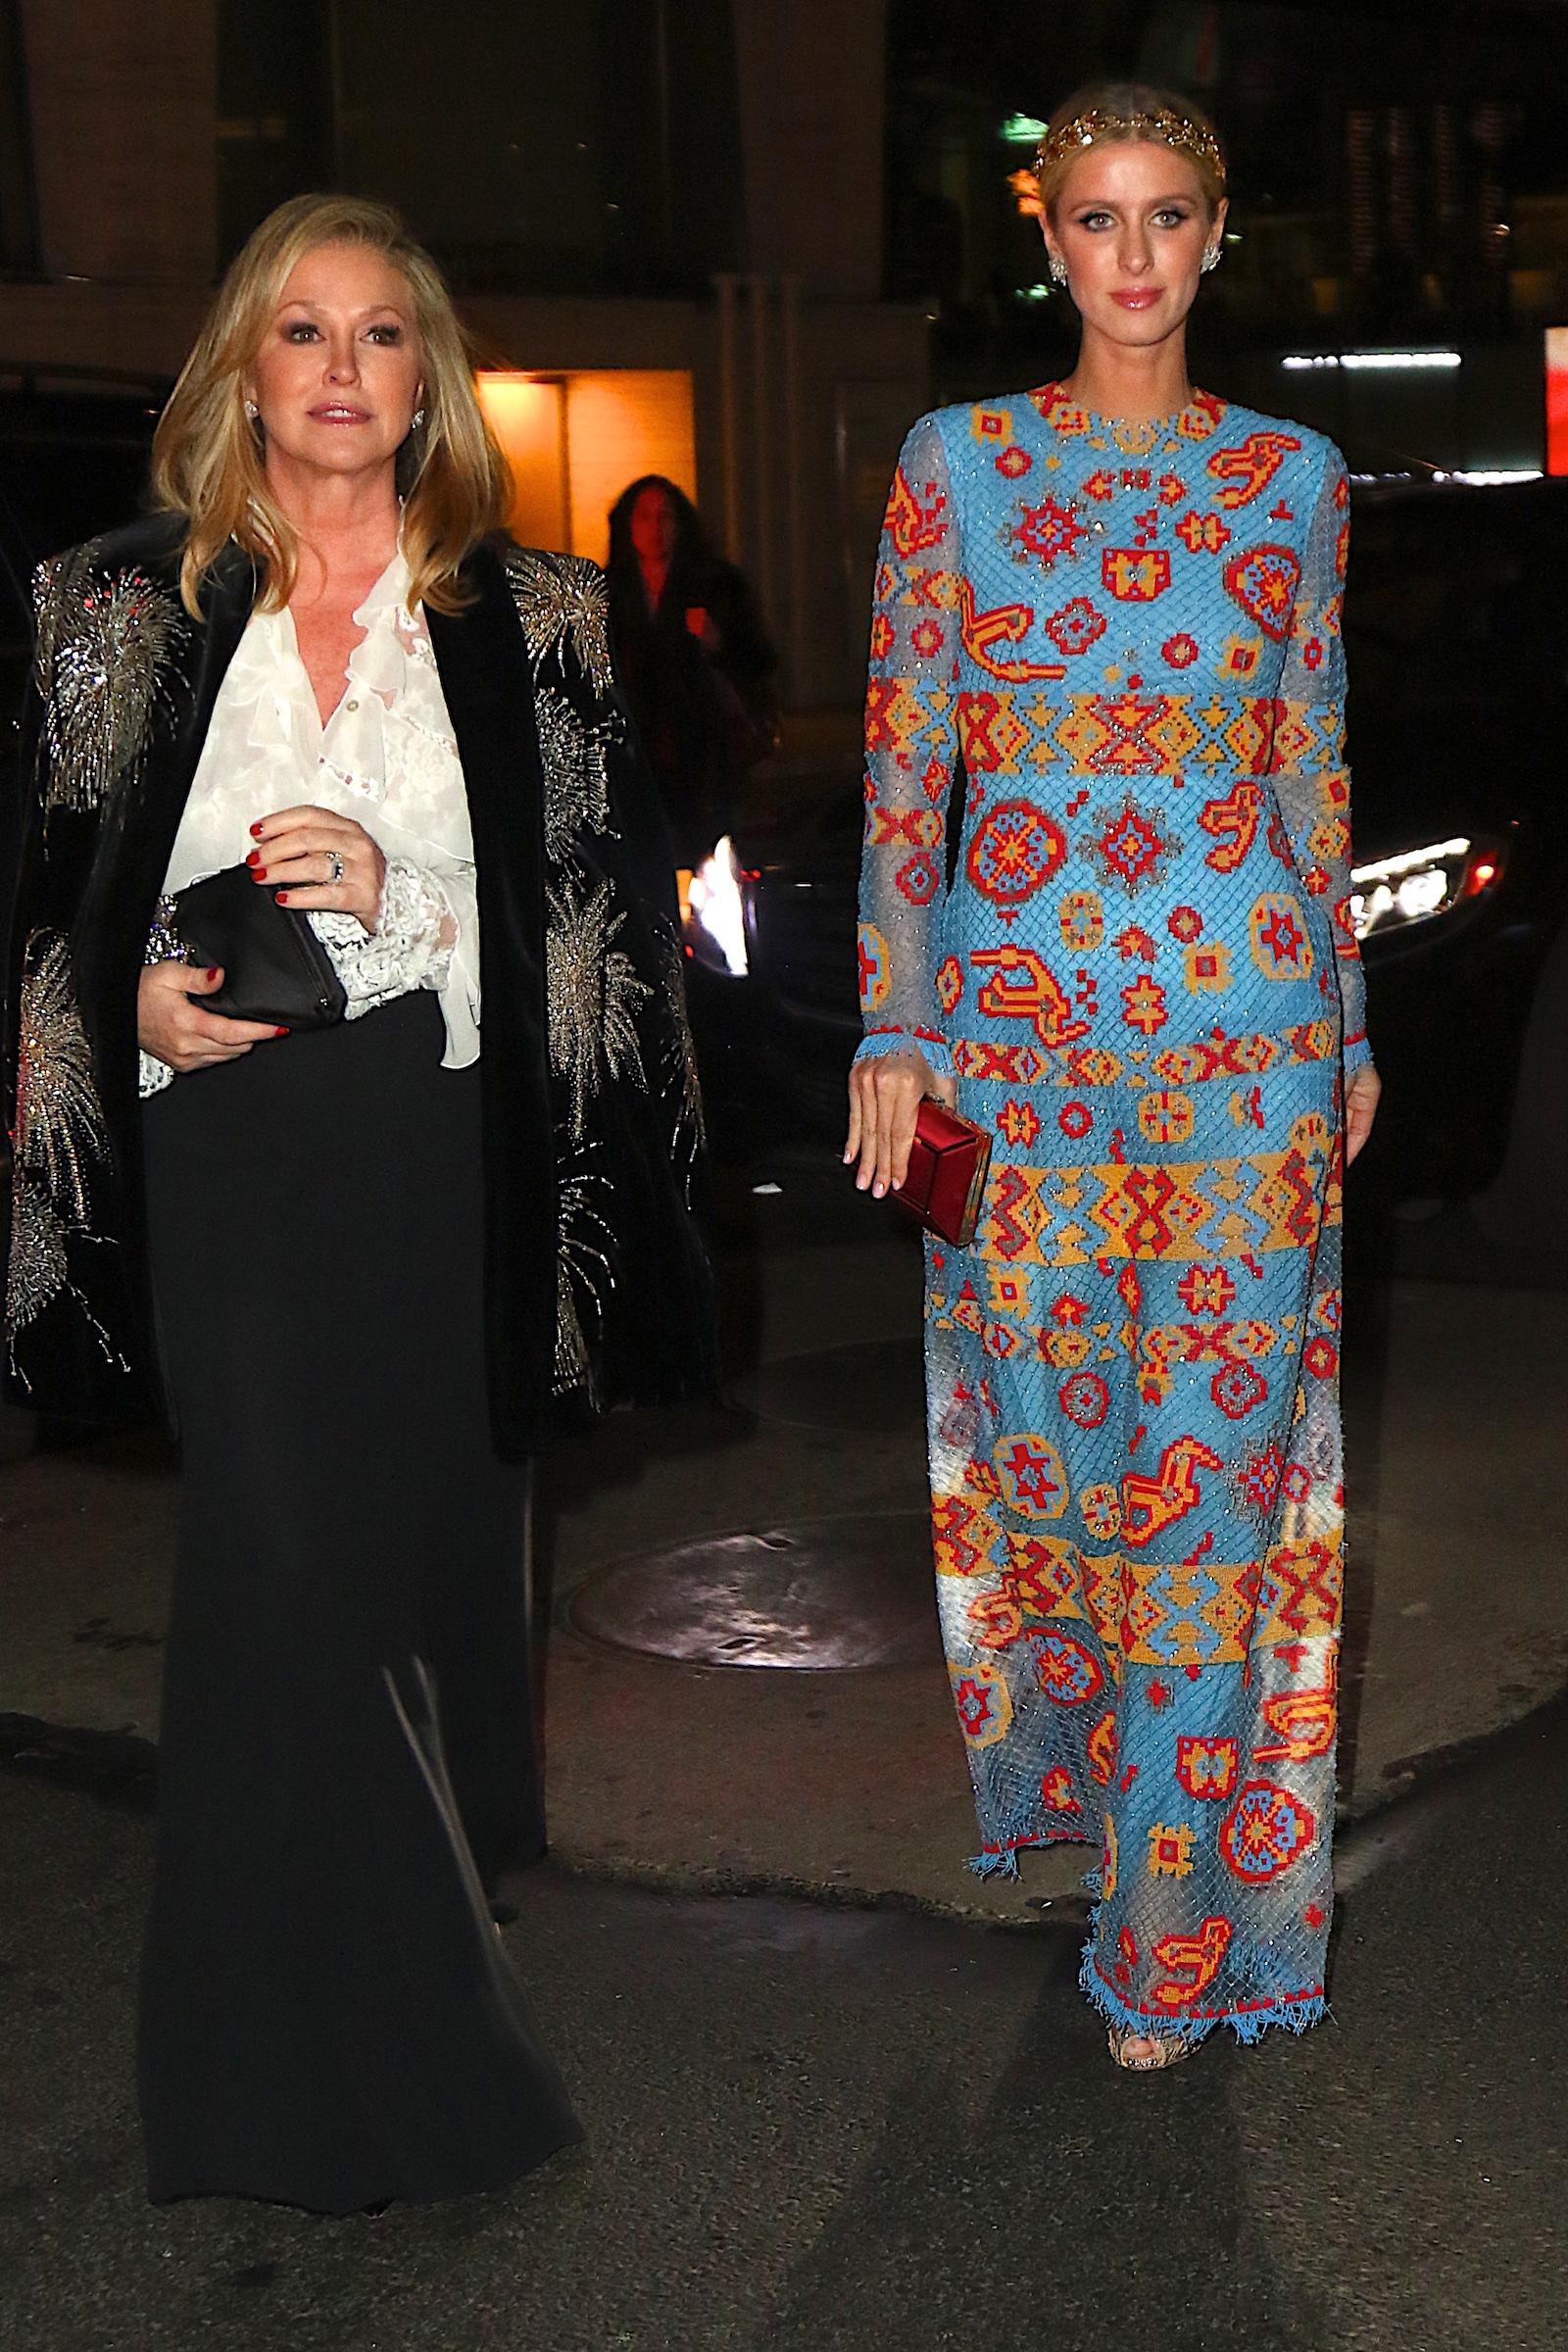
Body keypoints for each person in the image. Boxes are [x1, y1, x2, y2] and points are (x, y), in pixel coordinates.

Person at [3, 192, 715, 2209]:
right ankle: (446, 2073)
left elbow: (604, 939)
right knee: (291, 1580)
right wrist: (123, 993)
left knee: (331, 1608)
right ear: (243, 364)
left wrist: (403, 903)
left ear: (428, 375)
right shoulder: (109, 608)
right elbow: (47, 905)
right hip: (216, 1147)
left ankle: (240, 2098)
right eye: (298, 331)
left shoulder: (540, 622)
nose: (336, 368)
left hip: (429, 1150)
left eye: (377, 333)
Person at [846, 84, 1380, 2069]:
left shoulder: (1293, 480)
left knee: (1216, 1499)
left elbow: (1309, 769)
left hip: (1243, 1049)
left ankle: (1169, 1939)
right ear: (1046, 242)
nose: (1132, 252)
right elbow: (906, 772)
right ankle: (1102, 1818)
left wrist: (1342, 1023)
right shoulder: (953, 468)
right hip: (1016, 1042)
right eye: (1095, 217)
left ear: (1214, 237)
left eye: (1166, 215)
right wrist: (892, 1026)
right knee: (1058, 1463)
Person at [605, 474, 777, 858]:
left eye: (665, 517)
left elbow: (758, 660)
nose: (656, 529)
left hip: (704, 757)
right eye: (644, 518)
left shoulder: (716, 586)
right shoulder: (610, 594)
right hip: (634, 757)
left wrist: (718, 642)